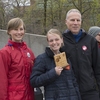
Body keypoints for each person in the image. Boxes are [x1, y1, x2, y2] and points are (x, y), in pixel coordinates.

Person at [30, 29, 81, 100]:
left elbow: (73, 81)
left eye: (57, 39)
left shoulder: (66, 57)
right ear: (48, 42)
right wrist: (53, 73)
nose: (54, 42)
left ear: (61, 40)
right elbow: (34, 81)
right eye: (51, 40)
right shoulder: (42, 58)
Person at [62, 9, 100, 100]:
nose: (75, 23)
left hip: (89, 91)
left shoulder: (90, 41)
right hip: (69, 91)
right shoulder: (60, 41)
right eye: (72, 20)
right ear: (66, 22)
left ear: (81, 22)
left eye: (78, 20)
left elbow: (98, 68)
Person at [0, 17, 35, 100]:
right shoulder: (4, 52)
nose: (19, 32)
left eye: (21, 29)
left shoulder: (29, 51)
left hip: (29, 95)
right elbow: (2, 80)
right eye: (15, 29)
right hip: (14, 96)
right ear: (9, 31)